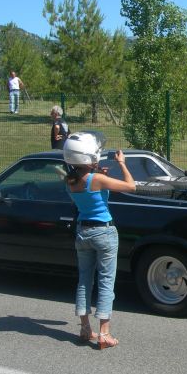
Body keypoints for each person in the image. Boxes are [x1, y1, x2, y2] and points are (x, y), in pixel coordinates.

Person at [63, 132, 136, 349]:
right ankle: (104, 332)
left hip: (82, 232)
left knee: (84, 281)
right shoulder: (98, 179)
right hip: (103, 233)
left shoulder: (70, 180)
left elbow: (87, 187)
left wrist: (97, 173)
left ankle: (85, 328)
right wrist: (122, 164)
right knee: (106, 281)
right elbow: (131, 186)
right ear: (89, 155)